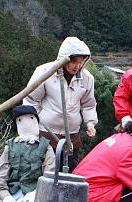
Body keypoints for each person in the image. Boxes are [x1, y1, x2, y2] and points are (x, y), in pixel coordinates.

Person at [23, 36, 98, 172]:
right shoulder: (45, 72)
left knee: (67, 174)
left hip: (72, 137)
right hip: (45, 134)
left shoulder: (87, 78)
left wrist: (90, 123)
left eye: (81, 62)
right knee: (44, 174)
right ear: (64, 58)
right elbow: (31, 100)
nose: (77, 66)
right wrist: (30, 128)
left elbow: (88, 104)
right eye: (73, 61)